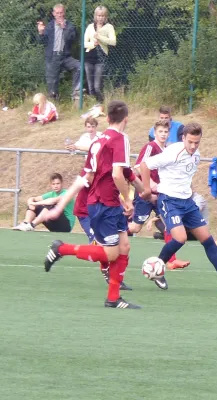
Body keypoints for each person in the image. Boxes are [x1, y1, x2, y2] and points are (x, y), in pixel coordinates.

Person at [43, 100, 141, 309]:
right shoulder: (121, 139)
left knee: (124, 247)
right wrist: (130, 200)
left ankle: (114, 299)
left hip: (108, 204)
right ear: (126, 120)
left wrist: (60, 205)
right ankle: (62, 249)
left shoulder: (98, 141)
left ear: (106, 119)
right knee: (111, 253)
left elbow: (86, 177)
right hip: (104, 204)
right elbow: (117, 175)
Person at [140, 122, 217, 295]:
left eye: (196, 142)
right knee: (180, 238)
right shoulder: (172, 153)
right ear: (183, 138)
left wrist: (188, 192)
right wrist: (146, 189)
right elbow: (145, 165)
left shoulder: (196, 155)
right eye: (190, 142)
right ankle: (158, 269)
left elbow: (185, 176)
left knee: (208, 240)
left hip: (187, 202)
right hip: (169, 200)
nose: (193, 146)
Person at [129, 120, 190, 270]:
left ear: (169, 133)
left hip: (161, 195)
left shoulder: (167, 150)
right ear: (154, 133)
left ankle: (171, 261)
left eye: (165, 132)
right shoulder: (150, 147)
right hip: (145, 193)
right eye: (160, 132)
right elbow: (138, 168)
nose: (163, 134)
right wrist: (148, 185)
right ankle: (110, 235)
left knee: (169, 225)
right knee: (136, 228)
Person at [37, 4, 80, 100]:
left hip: (66, 56)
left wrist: (65, 28)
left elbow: (73, 39)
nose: (59, 15)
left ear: (64, 13)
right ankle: (54, 103)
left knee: (80, 67)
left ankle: (76, 95)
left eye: (61, 13)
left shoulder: (69, 25)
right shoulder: (49, 26)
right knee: (52, 82)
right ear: (53, 14)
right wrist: (40, 32)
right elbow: (42, 42)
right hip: (52, 57)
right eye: (57, 13)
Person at [84, 6, 116, 103]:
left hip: (101, 59)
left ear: (105, 17)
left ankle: (101, 103)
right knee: (90, 87)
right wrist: (93, 43)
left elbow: (113, 42)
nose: (100, 18)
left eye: (102, 16)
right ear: (95, 16)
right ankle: (94, 105)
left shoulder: (109, 27)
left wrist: (100, 38)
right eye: (98, 15)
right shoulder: (90, 27)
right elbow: (85, 43)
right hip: (89, 58)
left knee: (97, 86)